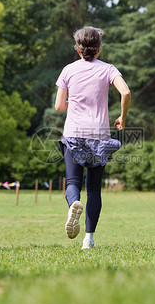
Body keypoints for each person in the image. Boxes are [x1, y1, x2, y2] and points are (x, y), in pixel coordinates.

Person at [54, 26, 131, 249]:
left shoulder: (68, 70)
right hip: (99, 136)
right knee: (95, 188)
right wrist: (122, 117)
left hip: (73, 134)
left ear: (78, 49)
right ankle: (89, 239)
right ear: (98, 48)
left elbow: (59, 106)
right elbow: (125, 92)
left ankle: (73, 205)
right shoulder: (108, 69)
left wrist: (76, 102)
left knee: (72, 182)